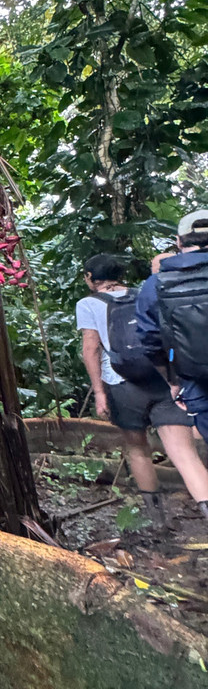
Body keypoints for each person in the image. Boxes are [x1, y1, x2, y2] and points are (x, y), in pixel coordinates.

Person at [77, 254, 208, 527]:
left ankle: (158, 522)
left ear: (91, 278)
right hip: (164, 380)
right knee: (185, 456)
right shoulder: (147, 291)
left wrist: (99, 393)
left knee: (137, 449)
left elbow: (91, 348)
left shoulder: (88, 304)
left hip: (122, 384)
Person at [136, 209, 208, 520]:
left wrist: (172, 377)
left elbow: (153, 341)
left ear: (178, 242)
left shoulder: (157, 284)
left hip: (195, 382)